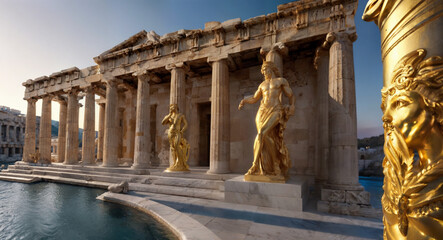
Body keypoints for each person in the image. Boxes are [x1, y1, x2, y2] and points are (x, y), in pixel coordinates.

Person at [381, 49, 442, 239]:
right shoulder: (394, 180)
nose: (386, 117)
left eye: (399, 103)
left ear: (434, 106)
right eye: (386, 108)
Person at [238, 61, 295, 181]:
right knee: (263, 136)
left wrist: (292, 105)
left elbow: (290, 94)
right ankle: (266, 166)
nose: (265, 74)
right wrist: (244, 101)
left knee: (262, 133)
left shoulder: (281, 81)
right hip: (262, 110)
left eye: (266, 71)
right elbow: (254, 98)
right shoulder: (262, 84)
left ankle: (261, 165)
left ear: (271, 69)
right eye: (263, 73)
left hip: (276, 110)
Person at [161, 104, 190, 171]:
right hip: (170, 132)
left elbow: (186, 124)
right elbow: (163, 122)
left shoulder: (180, 115)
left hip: (177, 132)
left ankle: (181, 163)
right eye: (170, 107)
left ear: (176, 107)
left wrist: (182, 131)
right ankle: (174, 163)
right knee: (172, 148)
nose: (171, 108)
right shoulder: (169, 116)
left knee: (177, 146)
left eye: (172, 107)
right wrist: (169, 115)